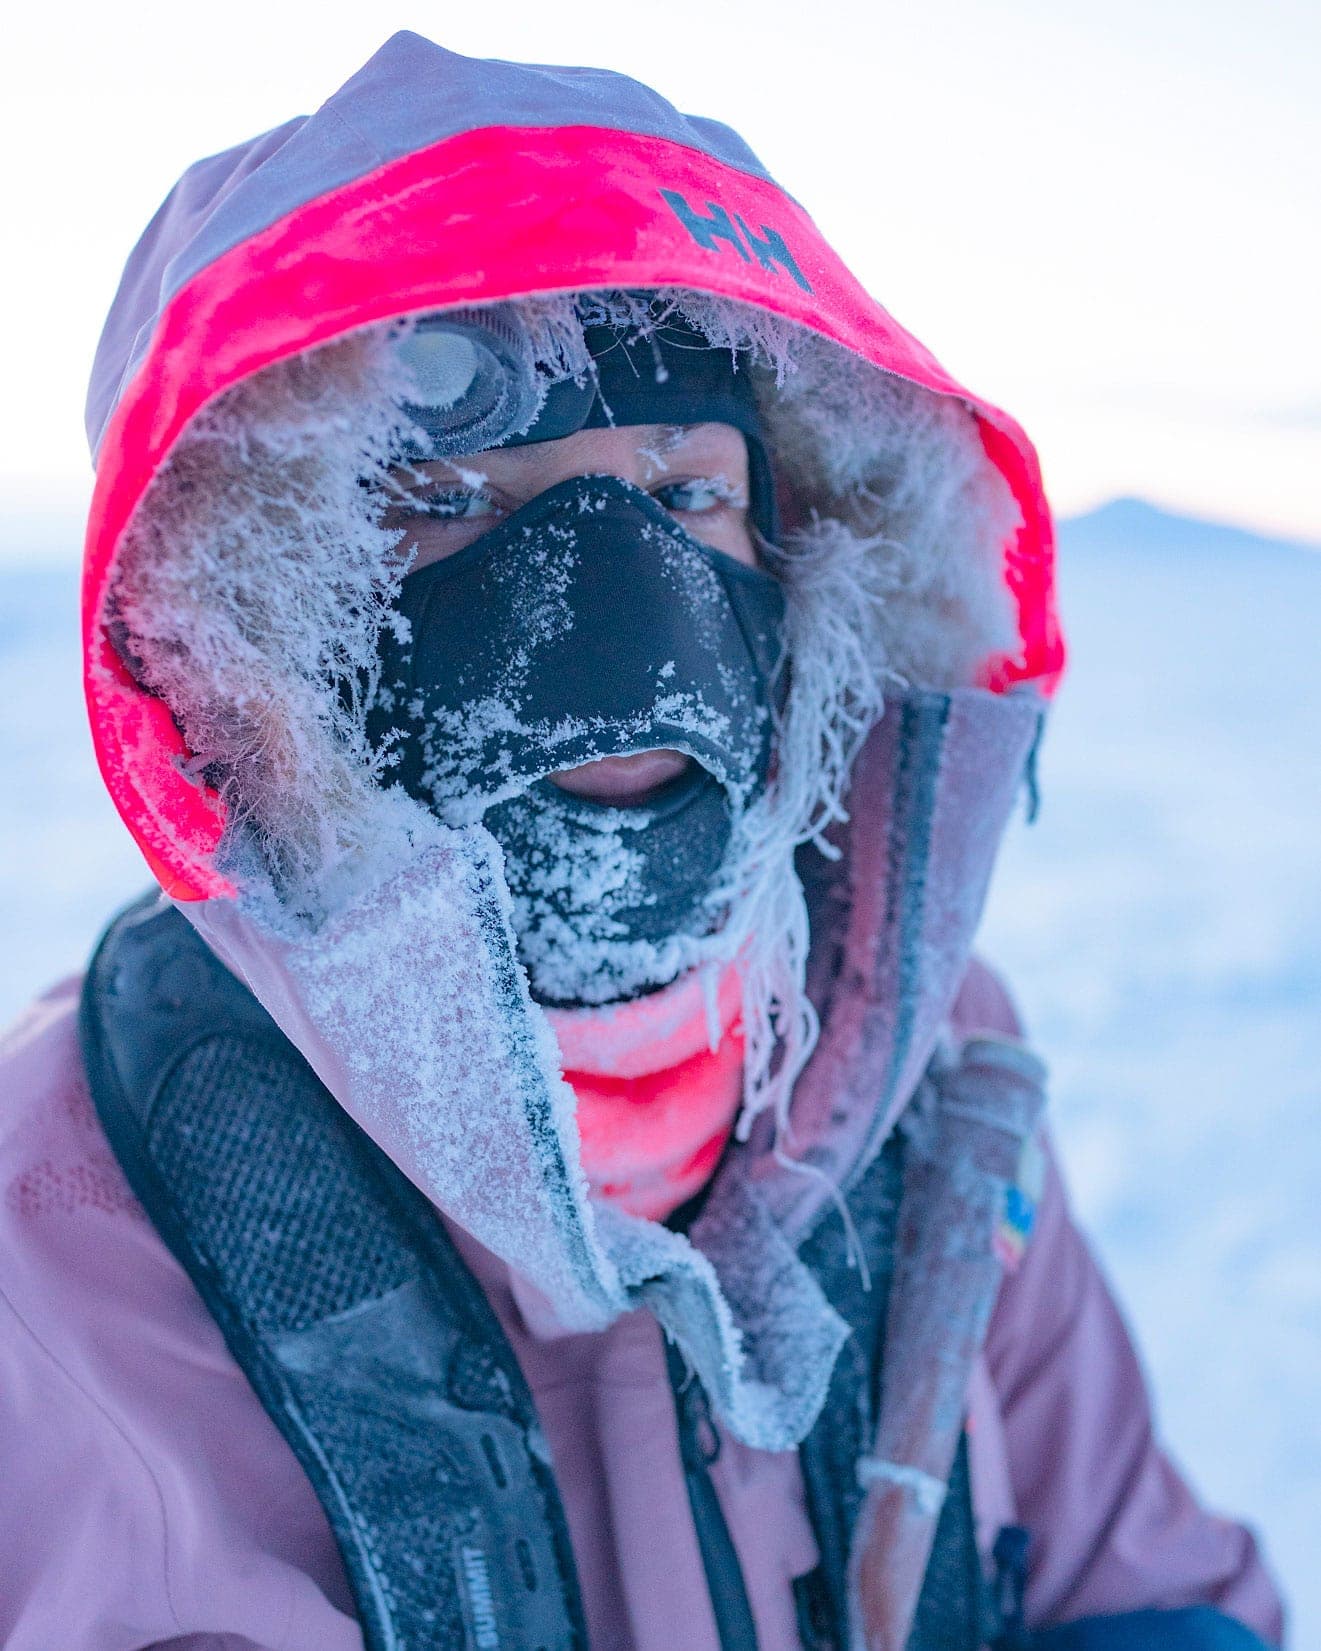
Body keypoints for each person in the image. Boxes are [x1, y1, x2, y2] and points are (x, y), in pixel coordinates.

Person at [0, 31, 1285, 1651]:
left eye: (682, 499)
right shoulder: (66, 1234)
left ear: (810, 548)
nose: (617, 619)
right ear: (255, 613)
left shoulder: (922, 1067)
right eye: (451, 499)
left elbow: (1138, 1584)